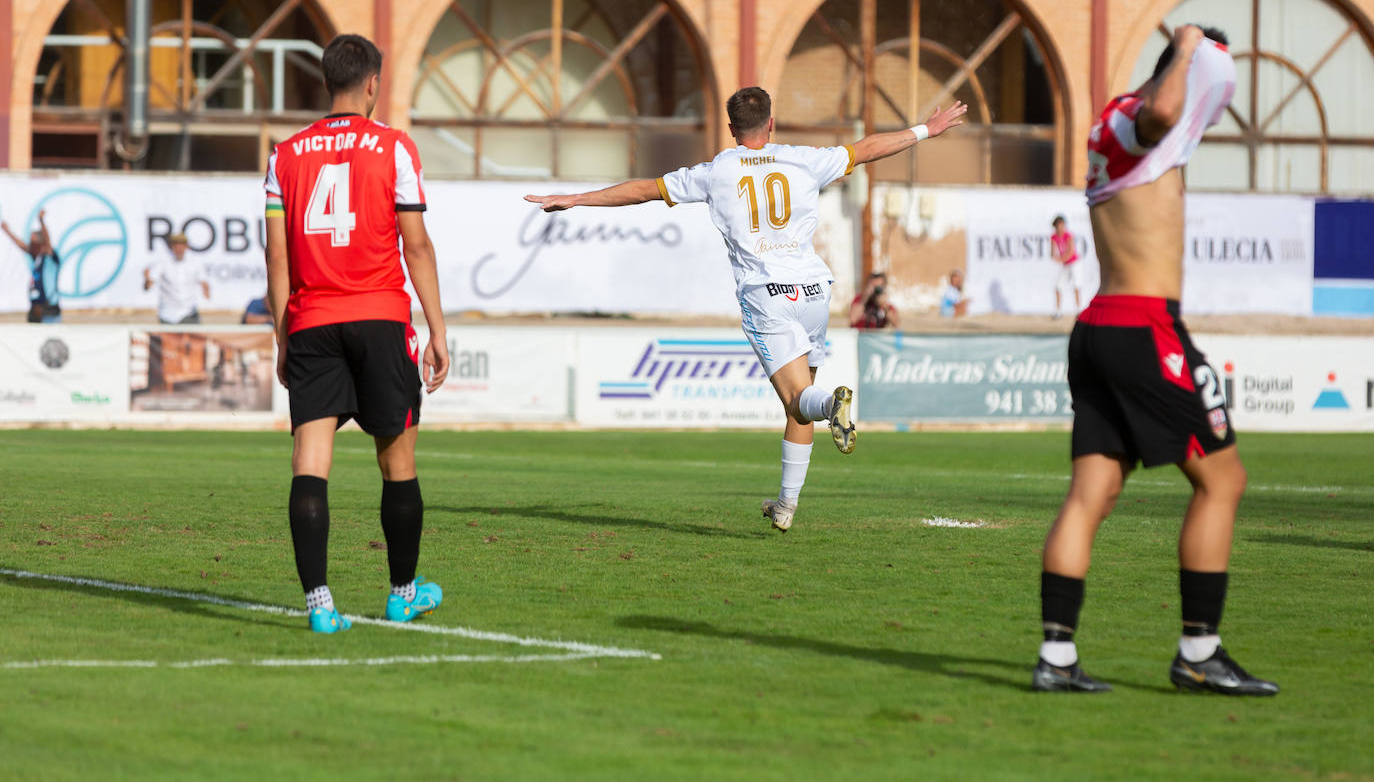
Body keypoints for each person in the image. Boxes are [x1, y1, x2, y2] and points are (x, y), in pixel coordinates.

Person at [526, 87, 966, 532]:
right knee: (797, 409)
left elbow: (643, 191)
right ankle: (786, 506)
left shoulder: (716, 171)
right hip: (814, 290)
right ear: (771, 123)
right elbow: (869, 149)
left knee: (801, 400)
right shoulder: (803, 159)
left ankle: (833, 403)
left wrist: (577, 199)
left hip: (766, 293)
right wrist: (926, 129)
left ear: (732, 128)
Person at [1032, 25, 1277, 695]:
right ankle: (1199, 651)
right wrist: (1192, 44)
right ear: (1180, 68)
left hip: (1099, 326)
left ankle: (1056, 660)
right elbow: (1163, 110)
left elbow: (1165, 121)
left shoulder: (1116, 129)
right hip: (1144, 327)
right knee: (1223, 482)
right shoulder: (1136, 118)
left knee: (1093, 493)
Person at [264, 33, 451, 634]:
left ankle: (320, 606)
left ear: (326, 82)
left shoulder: (284, 155)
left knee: (309, 464)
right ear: (373, 82)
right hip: (379, 318)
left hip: (313, 320)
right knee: (397, 465)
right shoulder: (393, 147)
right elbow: (415, 245)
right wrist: (438, 329)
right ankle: (402, 593)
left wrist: (282, 336)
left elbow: (276, 259)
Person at [2, 210, 61, 323]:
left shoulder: (49, 258)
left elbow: (47, 242)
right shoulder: (37, 258)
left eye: (33, 242)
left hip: (48, 311)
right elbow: (22, 245)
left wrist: (41, 221)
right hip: (35, 312)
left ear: (40, 243)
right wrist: (6, 230)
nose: (30, 245)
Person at [144, 232, 210, 324]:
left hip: (189, 312)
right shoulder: (163, 262)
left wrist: (206, 291)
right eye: (176, 246)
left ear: (186, 247)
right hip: (168, 314)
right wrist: (147, 280)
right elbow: (149, 284)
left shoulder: (195, 262)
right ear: (172, 247)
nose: (179, 249)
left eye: (181, 246)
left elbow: (204, 282)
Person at [1050, 215, 1082, 318]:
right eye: (1058, 226)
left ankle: (1078, 310)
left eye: (1062, 225)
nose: (1060, 228)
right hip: (1065, 264)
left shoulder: (1068, 235)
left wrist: (1060, 259)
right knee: (1058, 286)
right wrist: (1056, 257)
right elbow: (1052, 253)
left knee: (1076, 285)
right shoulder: (1053, 237)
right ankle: (1058, 312)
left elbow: (1071, 252)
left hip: (1074, 263)